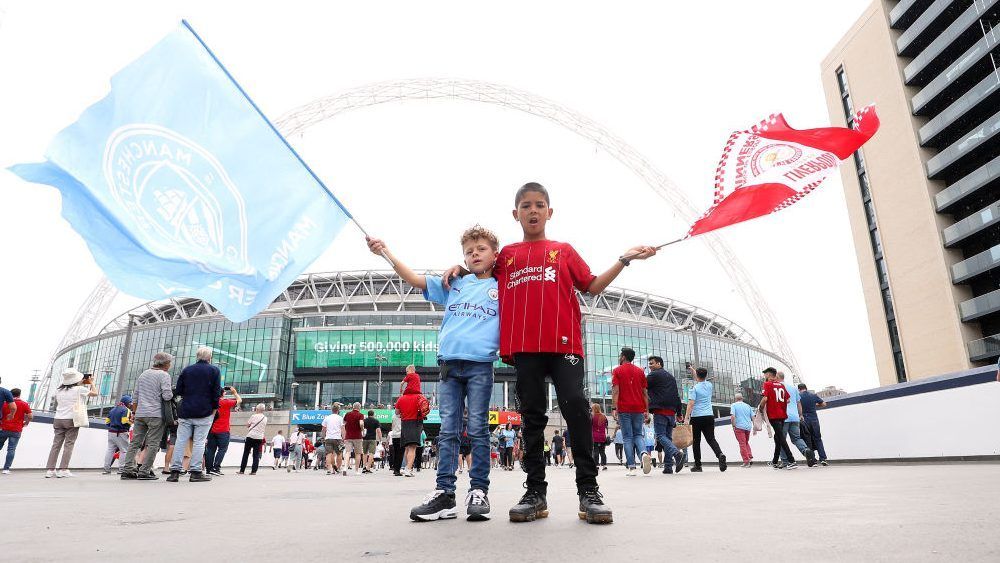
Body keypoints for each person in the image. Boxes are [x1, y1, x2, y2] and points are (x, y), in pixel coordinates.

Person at [442, 183, 655, 523]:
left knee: (576, 409)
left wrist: (624, 260)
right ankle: (535, 493)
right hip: (524, 348)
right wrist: (460, 268)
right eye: (526, 205)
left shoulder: (563, 251)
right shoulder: (507, 255)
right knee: (532, 419)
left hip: (564, 345)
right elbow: (480, 268)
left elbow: (593, 285)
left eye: (540, 204)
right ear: (517, 214)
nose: (533, 210)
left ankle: (589, 491)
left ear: (549, 212)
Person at [370, 227, 499, 521]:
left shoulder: (502, 284)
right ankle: (445, 494)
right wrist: (385, 252)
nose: (474, 254)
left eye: (481, 248)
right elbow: (414, 279)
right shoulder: (454, 283)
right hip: (450, 366)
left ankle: (478, 491)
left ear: (494, 253)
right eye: (468, 251)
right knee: (449, 430)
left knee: (478, 429)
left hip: (481, 366)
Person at [166, 346, 222, 483]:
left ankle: (174, 472)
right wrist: (214, 409)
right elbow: (216, 393)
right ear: (210, 357)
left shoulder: (187, 370)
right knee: (199, 442)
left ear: (197, 356)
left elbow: (178, 390)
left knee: (180, 440)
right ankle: (196, 472)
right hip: (205, 411)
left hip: (186, 411)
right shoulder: (215, 370)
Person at [121, 353, 174, 480]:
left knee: (135, 443)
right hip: (156, 414)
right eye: (170, 363)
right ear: (166, 364)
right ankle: (144, 471)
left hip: (140, 414)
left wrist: (134, 413)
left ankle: (127, 470)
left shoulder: (143, 374)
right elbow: (167, 396)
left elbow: (136, 396)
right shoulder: (164, 375)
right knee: (153, 443)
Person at [46, 368, 97, 478]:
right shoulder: (79, 389)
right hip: (71, 419)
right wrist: (91, 382)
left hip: (58, 419)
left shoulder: (59, 390)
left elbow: (68, 389)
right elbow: (95, 394)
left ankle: (50, 470)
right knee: (69, 444)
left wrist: (79, 382)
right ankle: (63, 469)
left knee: (56, 445)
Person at [612, 347, 650, 476]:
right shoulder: (640, 372)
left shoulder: (617, 371)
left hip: (624, 408)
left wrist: (613, 408)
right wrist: (647, 410)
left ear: (623, 357)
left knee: (627, 437)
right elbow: (645, 393)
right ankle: (644, 453)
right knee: (638, 435)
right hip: (639, 408)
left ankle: (632, 467)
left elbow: (616, 391)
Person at [646, 355, 684, 475]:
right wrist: (679, 412)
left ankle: (677, 454)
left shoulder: (653, 375)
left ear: (659, 364)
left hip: (660, 410)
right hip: (671, 411)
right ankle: (668, 466)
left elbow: (642, 386)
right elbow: (677, 395)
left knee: (660, 436)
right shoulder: (671, 377)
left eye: (652, 363)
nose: (649, 365)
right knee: (668, 438)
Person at [684, 366, 727, 472]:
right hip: (709, 416)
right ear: (706, 376)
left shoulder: (693, 389)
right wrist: (693, 369)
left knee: (696, 441)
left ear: (697, 376)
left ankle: (698, 465)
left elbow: (691, 404)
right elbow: (700, 378)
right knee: (711, 439)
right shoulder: (709, 385)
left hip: (697, 417)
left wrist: (686, 418)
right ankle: (720, 454)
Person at [759, 367, 797, 470]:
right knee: (778, 437)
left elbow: (765, 398)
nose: (764, 376)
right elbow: (788, 400)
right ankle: (775, 461)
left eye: (765, 374)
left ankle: (792, 460)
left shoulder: (767, 384)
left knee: (780, 437)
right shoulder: (781, 385)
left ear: (768, 375)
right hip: (782, 414)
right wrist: (779, 403)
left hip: (773, 415)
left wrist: (761, 408)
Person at [777, 372, 816, 467]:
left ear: (777, 377)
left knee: (781, 439)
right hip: (795, 417)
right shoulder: (794, 388)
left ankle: (786, 462)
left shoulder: (777, 388)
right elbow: (798, 403)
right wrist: (800, 415)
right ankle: (806, 450)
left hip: (783, 418)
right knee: (797, 438)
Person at [395, 372, 427, 478]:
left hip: (405, 423)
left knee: (407, 448)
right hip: (415, 423)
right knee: (413, 448)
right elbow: (425, 408)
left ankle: (405, 467)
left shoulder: (401, 398)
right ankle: (408, 469)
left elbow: (397, 413)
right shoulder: (419, 396)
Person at [205, 386, 241, 476]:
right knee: (222, 449)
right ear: (223, 393)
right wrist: (234, 392)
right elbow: (239, 400)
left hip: (211, 430)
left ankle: (209, 469)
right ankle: (216, 468)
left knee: (210, 450)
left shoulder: (211, 402)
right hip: (223, 430)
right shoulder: (226, 402)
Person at [0, 387, 32, 474]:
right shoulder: (24, 404)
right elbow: (30, 416)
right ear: (19, 394)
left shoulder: (5, 403)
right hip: (16, 430)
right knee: (11, 449)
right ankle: (6, 469)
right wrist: (26, 422)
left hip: (4, 428)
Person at [798, 384, 829, 466]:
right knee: (818, 439)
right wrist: (815, 406)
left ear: (799, 389)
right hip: (814, 419)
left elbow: (797, 407)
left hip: (804, 420)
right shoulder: (813, 395)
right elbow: (824, 404)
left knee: (808, 440)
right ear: (806, 388)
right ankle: (823, 459)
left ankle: (813, 460)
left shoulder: (798, 396)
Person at [102, 395, 132, 474]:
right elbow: (124, 421)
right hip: (121, 432)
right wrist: (132, 422)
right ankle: (121, 469)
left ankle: (106, 469)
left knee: (110, 450)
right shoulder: (126, 410)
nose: (131, 405)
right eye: (130, 403)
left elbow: (107, 422)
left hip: (111, 432)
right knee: (124, 451)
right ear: (127, 403)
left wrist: (112, 426)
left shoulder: (113, 409)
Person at [239, 404, 268, 475]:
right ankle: (254, 471)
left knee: (246, 453)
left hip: (251, 436)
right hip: (259, 438)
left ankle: (242, 470)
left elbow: (248, 425)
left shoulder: (253, 416)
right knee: (256, 455)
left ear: (257, 409)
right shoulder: (265, 418)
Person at [729, 393, 755, 467]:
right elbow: (753, 417)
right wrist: (754, 427)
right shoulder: (748, 406)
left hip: (739, 427)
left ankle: (746, 461)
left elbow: (733, 416)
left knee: (742, 443)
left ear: (735, 399)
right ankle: (749, 457)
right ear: (742, 398)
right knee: (746, 442)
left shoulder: (734, 405)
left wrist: (733, 425)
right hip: (748, 427)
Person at [321, 403, 345, 475]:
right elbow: (343, 429)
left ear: (332, 410)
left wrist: (323, 437)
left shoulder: (327, 418)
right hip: (338, 438)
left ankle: (329, 469)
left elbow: (323, 429)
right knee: (339, 453)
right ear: (338, 410)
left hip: (328, 438)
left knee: (328, 454)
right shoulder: (340, 418)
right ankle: (338, 468)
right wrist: (343, 437)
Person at [343, 402, 365, 476]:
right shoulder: (360, 415)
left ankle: (345, 467)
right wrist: (362, 429)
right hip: (357, 437)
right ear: (359, 407)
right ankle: (356, 470)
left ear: (353, 407)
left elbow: (344, 423)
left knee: (348, 452)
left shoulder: (347, 414)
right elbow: (361, 423)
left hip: (348, 436)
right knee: (358, 453)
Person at [591, 404, 609, 471]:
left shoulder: (592, 417)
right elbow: (606, 426)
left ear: (593, 409)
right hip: (602, 437)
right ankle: (604, 465)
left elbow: (590, 426)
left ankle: (596, 466)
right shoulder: (604, 416)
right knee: (602, 452)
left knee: (595, 452)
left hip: (595, 437)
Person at [389, 410, 403, 476]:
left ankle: (395, 469)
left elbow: (392, 426)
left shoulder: (393, 416)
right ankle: (397, 470)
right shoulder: (402, 416)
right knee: (400, 454)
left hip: (394, 435)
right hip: (400, 435)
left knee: (396, 453)